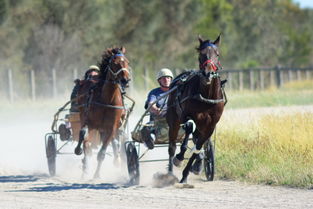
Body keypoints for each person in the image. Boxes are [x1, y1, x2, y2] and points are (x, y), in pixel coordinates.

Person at [142, 68, 174, 149]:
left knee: (190, 124)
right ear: (159, 81)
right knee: (145, 129)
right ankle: (149, 141)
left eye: (168, 78)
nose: (166, 80)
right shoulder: (154, 93)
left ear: (171, 79)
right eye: (163, 78)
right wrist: (155, 109)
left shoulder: (176, 91)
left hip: (174, 120)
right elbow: (151, 104)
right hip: (158, 121)